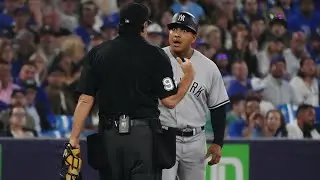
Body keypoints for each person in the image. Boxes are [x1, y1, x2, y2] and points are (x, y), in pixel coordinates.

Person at [65, 3, 195, 180]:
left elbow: (85, 100)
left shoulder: (98, 53)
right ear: (143, 25)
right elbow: (170, 101)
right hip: (143, 137)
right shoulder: (155, 54)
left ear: (120, 25)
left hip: (109, 136)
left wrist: (73, 139)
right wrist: (187, 77)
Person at [160, 12, 229, 180]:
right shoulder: (157, 59)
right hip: (163, 136)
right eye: (174, 29)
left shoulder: (208, 67)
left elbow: (218, 107)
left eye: (184, 30)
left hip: (196, 140)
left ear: (194, 37)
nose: (177, 34)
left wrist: (218, 142)